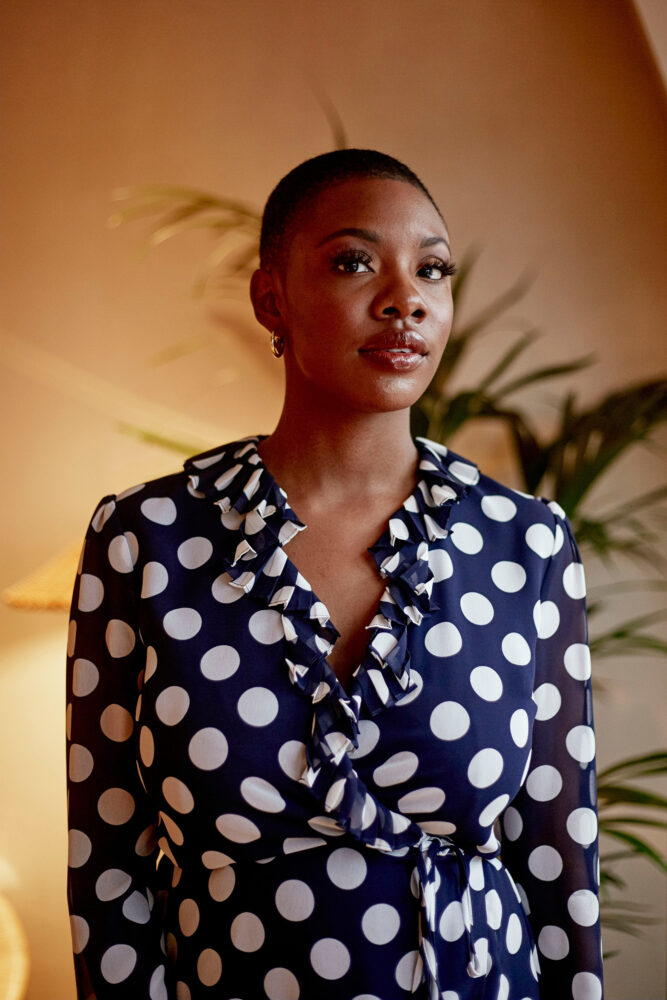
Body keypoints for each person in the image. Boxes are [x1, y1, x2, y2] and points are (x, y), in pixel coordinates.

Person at [66, 149, 604, 1000]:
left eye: (431, 269)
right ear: (268, 298)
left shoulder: (525, 542)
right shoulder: (147, 537)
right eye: (355, 262)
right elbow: (107, 866)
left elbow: (558, 853)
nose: (405, 298)